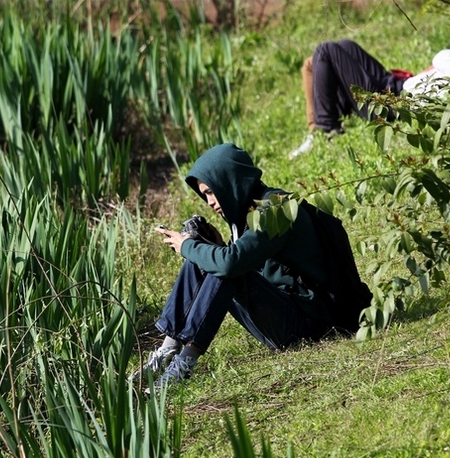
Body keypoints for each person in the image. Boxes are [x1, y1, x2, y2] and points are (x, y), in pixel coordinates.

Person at [129, 143, 370, 390]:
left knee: (225, 268)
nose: (210, 202)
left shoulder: (275, 210)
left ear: (230, 180)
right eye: (205, 196)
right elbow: (255, 264)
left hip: (312, 327)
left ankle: (183, 365)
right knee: (207, 258)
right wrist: (214, 247)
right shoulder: (249, 212)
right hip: (289, 314)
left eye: (212, 192)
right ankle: (168, 350)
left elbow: (232, 264)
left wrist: (188, 246)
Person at [289, 30, 450, 159]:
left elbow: (442, 57)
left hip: (392, 104)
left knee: (325, 50)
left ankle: (324, 129)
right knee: (345, 46)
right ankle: (319, 122)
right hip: (397, 85)